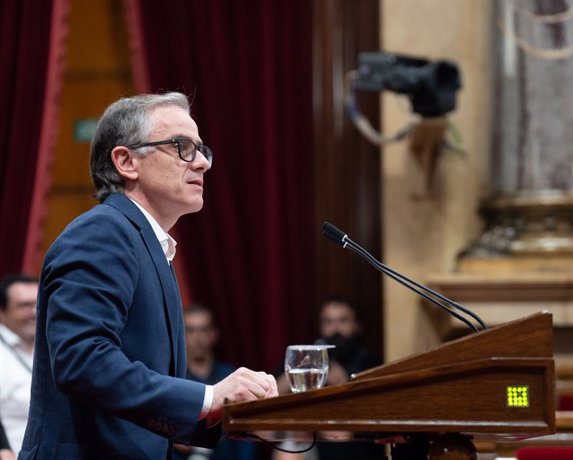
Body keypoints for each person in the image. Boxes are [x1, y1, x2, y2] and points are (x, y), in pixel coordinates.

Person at [19, 92, 277, 459]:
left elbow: (137, 401)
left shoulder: (148, 244)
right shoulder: (103, 234)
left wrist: (225, 412)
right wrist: (208, 396)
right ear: (126, 161)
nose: (202, 162)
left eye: (202, 149)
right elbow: (82, 360)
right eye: (182, 147)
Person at [274, 297, 383, 460]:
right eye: (328, 322)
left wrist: (345, 385)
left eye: (343, 321)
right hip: (307, 441)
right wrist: (298, 370)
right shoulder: (307, 356)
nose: (335, 329)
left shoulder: (370, 363)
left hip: (353, 446)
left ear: (358, 326)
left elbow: (376, 415)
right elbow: (273, 395)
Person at [174, 304, 256, 460]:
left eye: (203, 330)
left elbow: (245, 435)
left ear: (214, 334)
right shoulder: (173, 379)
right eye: (191, 330)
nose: (198, 338)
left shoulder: (233, 377)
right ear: (181, 335)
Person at [0, 274, 38, 455]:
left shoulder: (49, 347)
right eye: (25, 306)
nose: (35, 312)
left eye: (38, 305)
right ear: (2, 311)